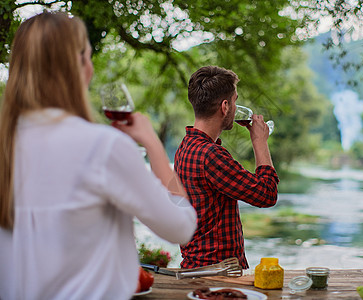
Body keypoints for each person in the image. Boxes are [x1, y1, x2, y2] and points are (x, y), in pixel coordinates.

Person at [0, 12, 196, 300]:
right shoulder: (102, 147)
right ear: (78, 66)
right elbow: (182, 227)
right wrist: (153, 145)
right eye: (88, 57)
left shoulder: (7, 145)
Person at [174, 66, 279, 269]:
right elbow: (267, 194)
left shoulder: (186, 146)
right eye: (235, 100)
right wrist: (260, 142)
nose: (235, 105)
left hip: (196, 269)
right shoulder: (211, 156)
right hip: (218, 274)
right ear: (225, 106)